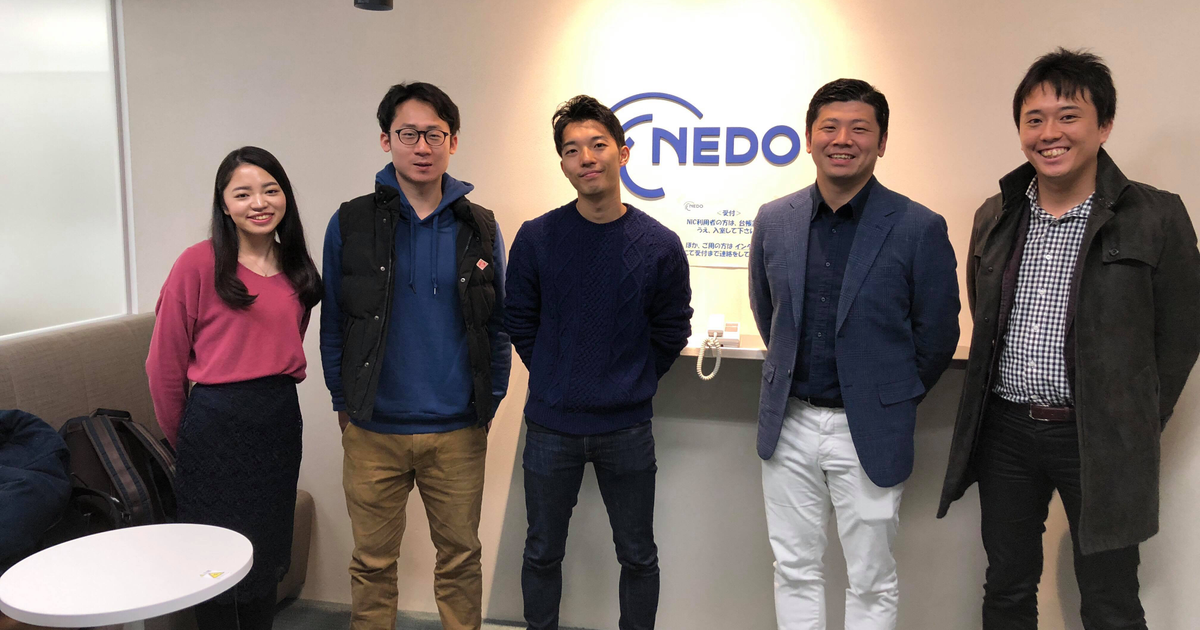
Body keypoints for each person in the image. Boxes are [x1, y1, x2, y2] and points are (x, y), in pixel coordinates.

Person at [937, 48, 1200, 630]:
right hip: (1006, 431)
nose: (1049, 133)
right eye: (1034, 119)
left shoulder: (1156, 216)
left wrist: (1134, 418)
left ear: (1104, 126)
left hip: (1100, 437)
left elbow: (1182, 333)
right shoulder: (995, 214)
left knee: (1110, 600)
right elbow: (986, 314)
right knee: (1006, 586)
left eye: (1068, 116)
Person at [748, 79, 960, 630]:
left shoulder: (918, 226)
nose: (843, 139)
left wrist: (886, 396)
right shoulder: (775, 219)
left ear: (881, 142)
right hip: (789, 422)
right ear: (809, 138)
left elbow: (937, 334)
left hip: (867, 426)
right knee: (794, 568)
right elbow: (769, 312)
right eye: (830, 127)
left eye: (860, 128)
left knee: (870, 577)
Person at [319, 81, 510, 630]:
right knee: (373, 564)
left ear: (454, 141)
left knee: (461, 560)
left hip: (457, 430)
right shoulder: (350, 223)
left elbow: (498, 324)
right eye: (409, 134)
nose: (422, 146)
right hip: (373, 429)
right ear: (386, 140)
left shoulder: (481, 227)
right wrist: (343, 403)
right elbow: (334, 322)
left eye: (435, 134)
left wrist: (490, 400)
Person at [504, 95, 693, 630]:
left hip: (625, 427)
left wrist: (632, 379)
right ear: (563, 164)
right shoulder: (537, 237)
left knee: (638, 555)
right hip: (551, 425)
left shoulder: (659, 245)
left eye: (597, 145)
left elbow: (672, 327)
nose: (586, 158)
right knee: (542, 551)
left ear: (622, 153)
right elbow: (519, 318)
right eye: (571, 150)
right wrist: (553, 373)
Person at [146, 146, 323, 630]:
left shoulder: (297, 266)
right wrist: (187, 440)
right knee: (214, 563)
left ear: (285, 197)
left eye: (270, 190)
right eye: (242, 194)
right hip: (215, 427)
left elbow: (286, 343)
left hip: (278, 421)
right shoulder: (196, 264)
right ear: (224, 205)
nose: (259, 203)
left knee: (265, 556)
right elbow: (162, 367)